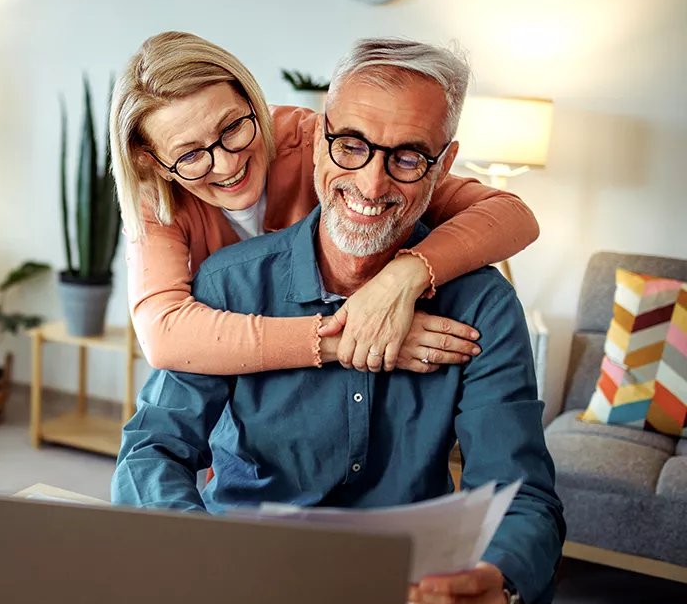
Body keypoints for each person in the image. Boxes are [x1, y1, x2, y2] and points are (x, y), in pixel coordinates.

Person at [112, 37, 565, 604]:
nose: (372, 185)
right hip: (242, 579)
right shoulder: (221, 277)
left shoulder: (483, 305)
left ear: (444, 163)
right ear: (323, 138)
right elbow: (151, 450)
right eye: (352, 145)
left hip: (407, 597)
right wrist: (200, 551)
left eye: (408, 158)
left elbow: (520, 493)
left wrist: (503, 582)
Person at [110, 31, 540, 376]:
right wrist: (347, 339)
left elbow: (512, 215)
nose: (227, 163)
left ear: (253, 102)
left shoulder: (330, 147)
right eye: (189, 155)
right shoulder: (157, 198)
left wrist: (404, 276)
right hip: (237, 392)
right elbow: (164, 335)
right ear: (157, 163)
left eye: (234, 127)